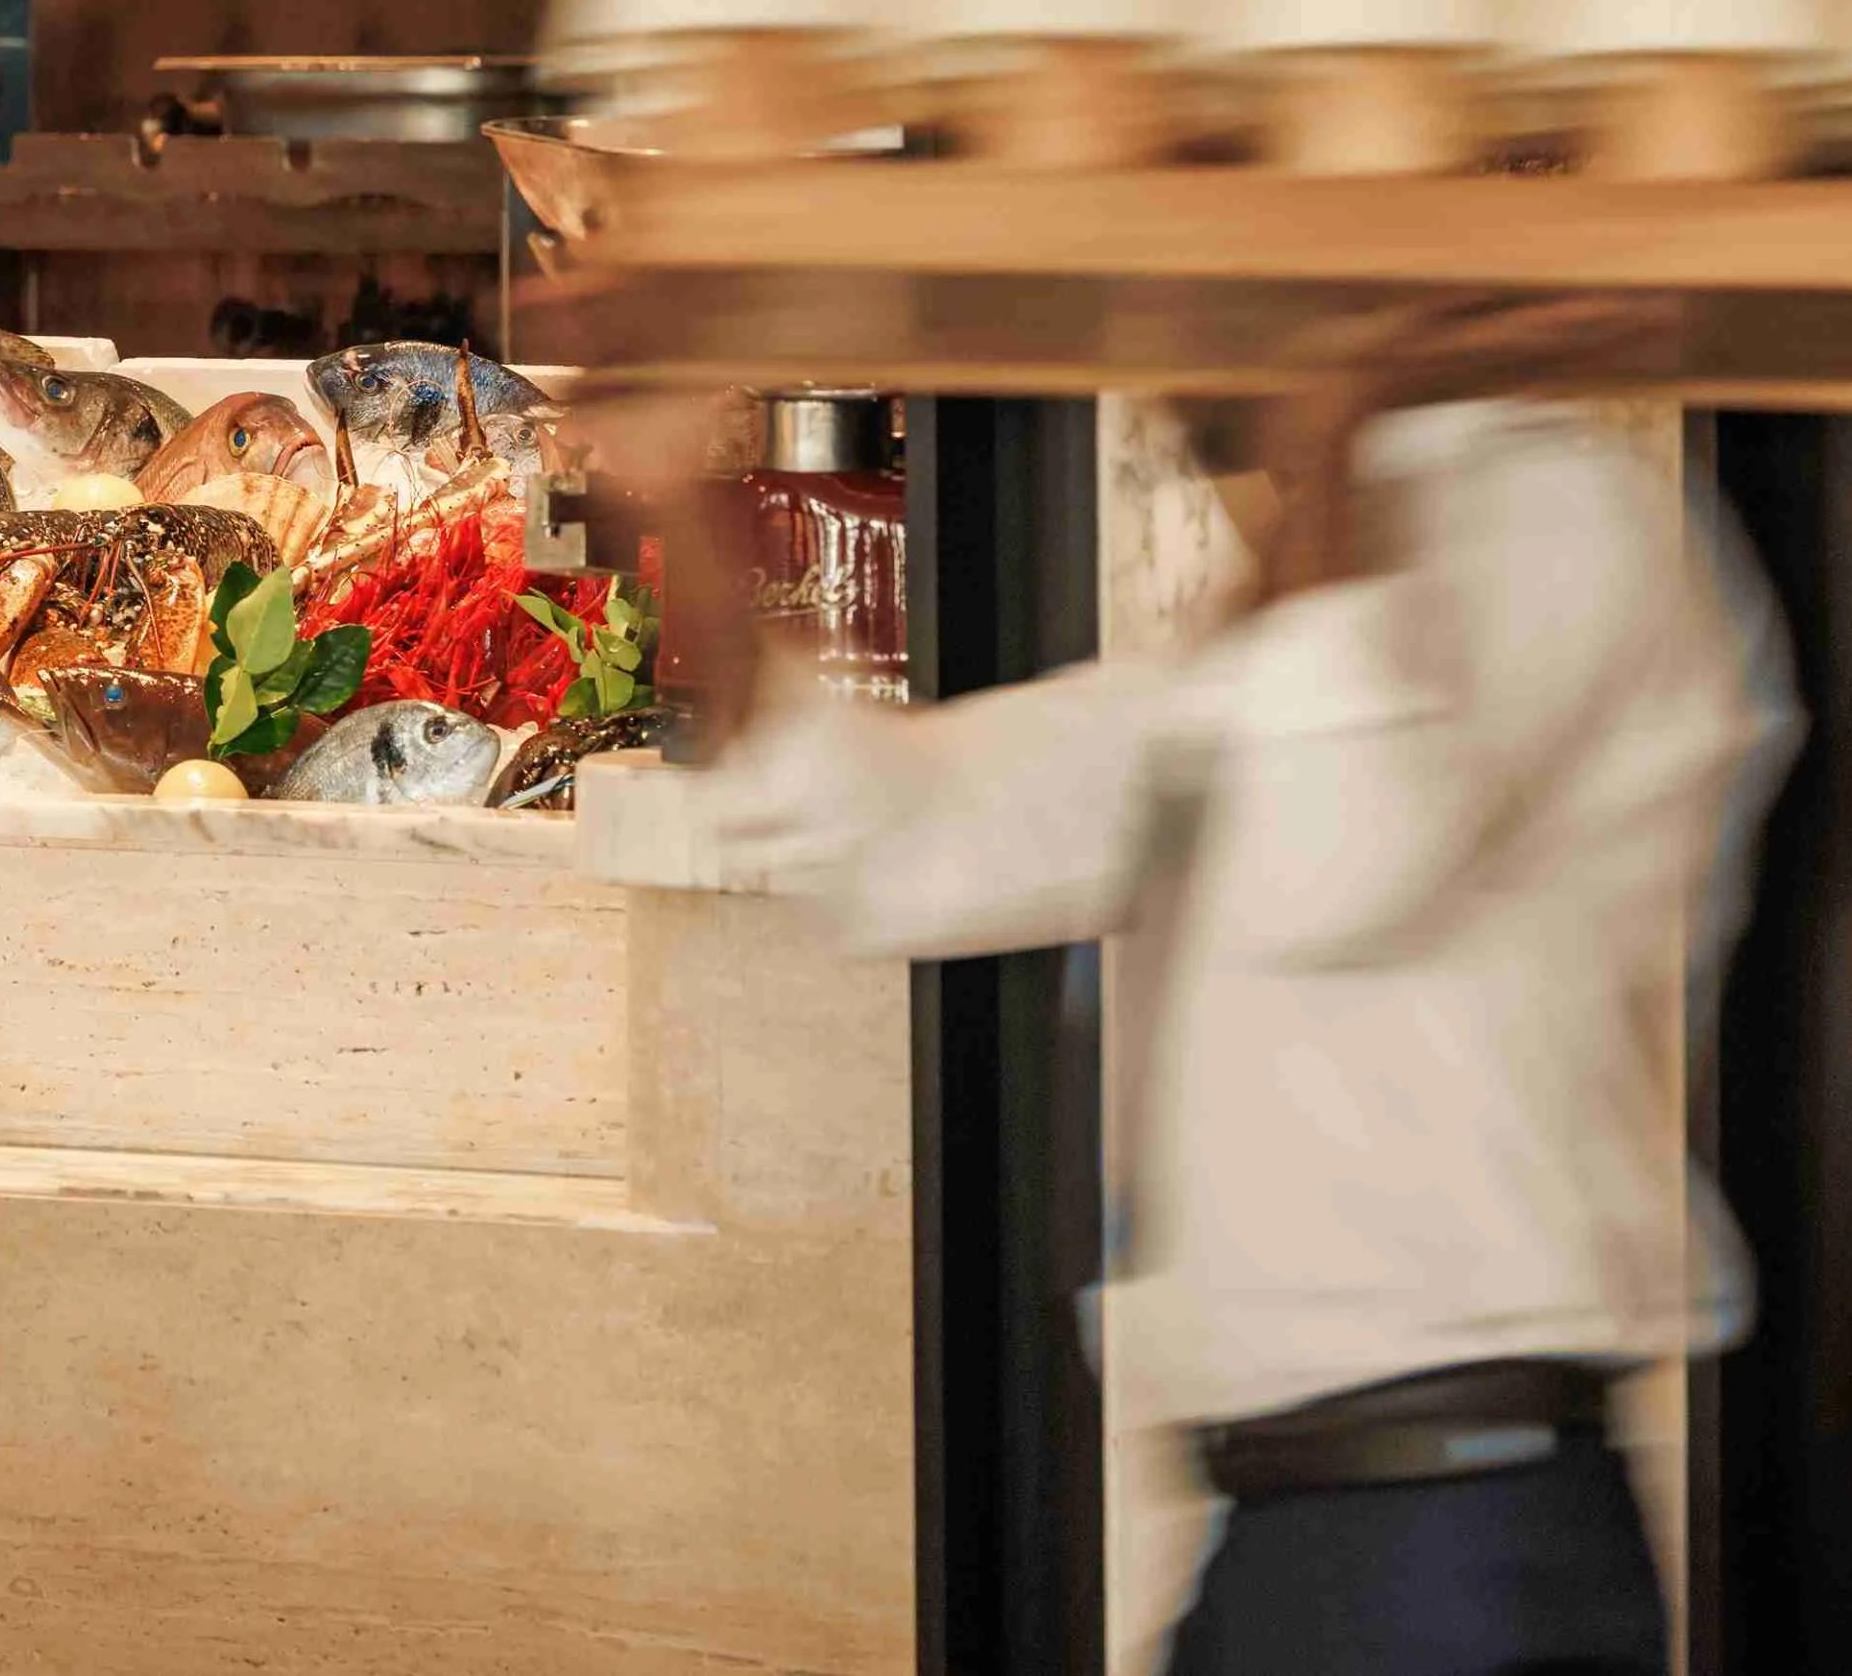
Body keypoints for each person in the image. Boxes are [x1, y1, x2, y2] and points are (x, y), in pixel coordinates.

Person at [669, 305, 1795, 1674]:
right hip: (1323, 1533)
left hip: (1453, 1532)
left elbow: (1342, 855)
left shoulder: (1556, 519)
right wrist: (675, 492)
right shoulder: (1297, 610)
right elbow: (901, 837)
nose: (1151, 345)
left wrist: (1333, 440)